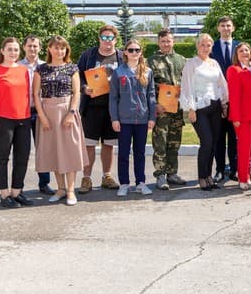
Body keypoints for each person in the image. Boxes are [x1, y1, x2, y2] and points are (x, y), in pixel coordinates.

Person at [32, 35, 87, 206]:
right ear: (49, 49)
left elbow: (76, 93)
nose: (59, 51)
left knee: (69, 151)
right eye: (56, 47)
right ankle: (60, 188)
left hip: (67, 111)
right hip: (47, 112)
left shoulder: (72, 68)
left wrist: (71, 113)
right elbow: (35, 94)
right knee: (54, 151)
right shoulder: (41, 69)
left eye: (62, 48)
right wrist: (42, 116)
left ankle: (71, 190)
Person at [0, 37, 33, 208]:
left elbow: (27, 96)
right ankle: (4, 195)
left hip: (24, 120)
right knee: (2, 158)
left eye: (15, 49)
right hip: (3, 121)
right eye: (9, 49)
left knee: (22, 157)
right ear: (2, 51)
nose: (13, 53)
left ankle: (17, 191)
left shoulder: (23, 70)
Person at [77, 25, 123, 193]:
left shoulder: (121, 56)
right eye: (104, 37)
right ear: (99, 39)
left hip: (113, 108)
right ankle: (86, 178)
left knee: (109, 144)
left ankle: (107, 176)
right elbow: (78, 76)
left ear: (115, 40)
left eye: (110, 38)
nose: (107, 41)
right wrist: (84, 88)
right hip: (92, 107)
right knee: (89, 144)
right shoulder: (88, 55)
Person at [180, 33, 229, 191]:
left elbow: (222, 84)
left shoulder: (214, 63)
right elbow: (186, 86)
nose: (205, 48)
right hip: (199, 108)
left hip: (215, 106)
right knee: (206, 142)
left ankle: (209, 176)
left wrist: (224, 104)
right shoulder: (191, 64)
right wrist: (190, 108)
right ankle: (202, 176)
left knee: (214, 143)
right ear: (197, 46)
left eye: (208, 45)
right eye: (202, 45)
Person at [109, 40, 156, 197]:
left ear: (141, 52)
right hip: (124, 119)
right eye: (131, 50)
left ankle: (141, 183)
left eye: (137, 50)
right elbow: (113, 98)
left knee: (140, 153)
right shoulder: (119, 72)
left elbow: (151, 96)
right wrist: (114, 118)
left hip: (142, 118)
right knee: (123, 153)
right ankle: (124, 183)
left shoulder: (147, 72)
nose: (134, 53)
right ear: (125, 53)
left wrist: (152, 117)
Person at [148, 29, 187, 190]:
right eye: (163, 41)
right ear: (159, 42)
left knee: (174, 142)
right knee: (160, 142)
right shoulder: (151, 61)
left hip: (177, 108)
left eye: (169, 41)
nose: (166, 44)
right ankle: (160, 175)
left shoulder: (181, 60)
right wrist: (154, 104)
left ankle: (172, 173)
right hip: (161, 108)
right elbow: (148, 86)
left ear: (173, 42)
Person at [19, 34, 53, 195]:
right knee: (21, 150)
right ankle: (18, 185)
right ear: (24, 47)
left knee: (43, 149)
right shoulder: (17, 66)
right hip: (21, 113)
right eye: (29, 46)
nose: (32, 49)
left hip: (41, 113)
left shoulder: (46, 67)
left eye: (35, 46)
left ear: (40, 48)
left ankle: (44, 183)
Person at [227, 42, 251, 190]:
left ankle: (247, 175)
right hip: (242, 116)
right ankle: (242, 178)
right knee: (243, 148)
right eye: (241, 51)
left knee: (250, 147)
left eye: (247, 50)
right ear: (236, 54)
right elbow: (234, 96)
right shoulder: (233, 70)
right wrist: (235, 117)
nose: (245, 53)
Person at [210, 16, 238, 182]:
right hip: (217, 98)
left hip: (236, 100)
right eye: (223, 26)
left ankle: (234, 170)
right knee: (219, 137)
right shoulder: (211, 48)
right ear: (218, 28)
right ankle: (219, 170)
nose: (226, 28)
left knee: (234, 137)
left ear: (233, 28)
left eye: (228, 25)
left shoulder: (239, 47)